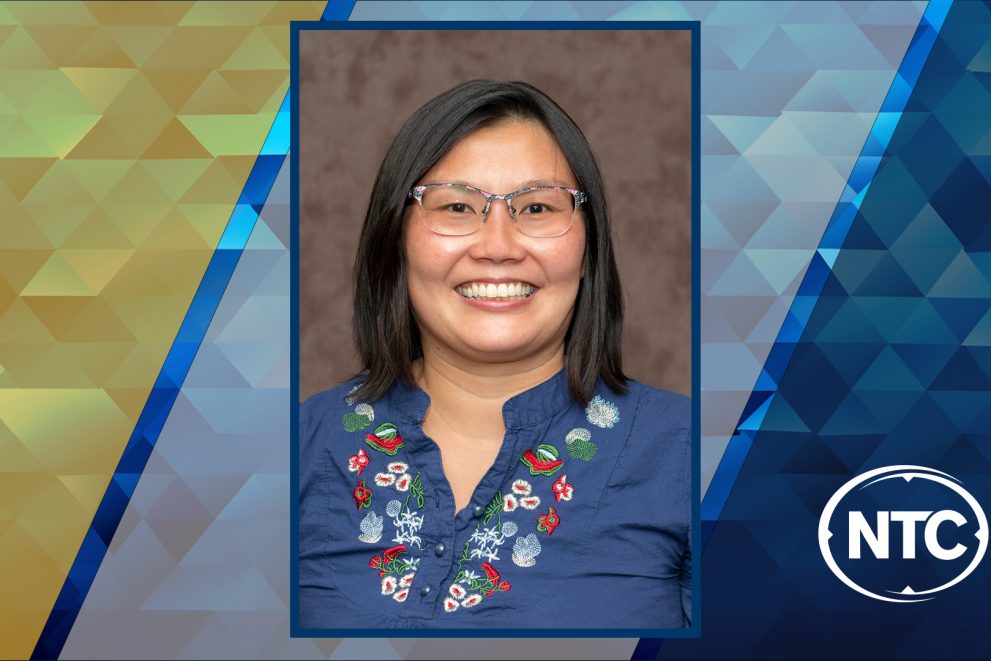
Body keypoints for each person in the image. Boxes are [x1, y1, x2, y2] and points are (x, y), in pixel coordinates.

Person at [299, 79, 691, 629]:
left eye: (536, 207)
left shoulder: (694, 452)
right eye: (458, 206)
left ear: (587, 248)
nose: (499, 247)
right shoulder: (295, 445)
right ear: (396, 240)